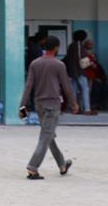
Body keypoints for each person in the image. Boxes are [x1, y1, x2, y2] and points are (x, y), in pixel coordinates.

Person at [20, 36, 78, 180]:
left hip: (38, 104)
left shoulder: (35, 63)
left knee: (49, 135)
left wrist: (22, 106)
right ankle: (33, 167)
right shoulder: (59, 65)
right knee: (46, 136)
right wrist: (74, 103)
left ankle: (62, 164)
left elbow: (28, 86)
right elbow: (66, 86)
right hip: (52, 105)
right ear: (56, 47)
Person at [64, 29, 91, 115]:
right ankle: (87, 109)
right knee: (85, 89)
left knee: (73, 91)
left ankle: (75, 109)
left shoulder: (71, 45)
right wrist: (88, 64)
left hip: (72, 71)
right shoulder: (79, 45)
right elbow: (81, 58)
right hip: (79, 71)